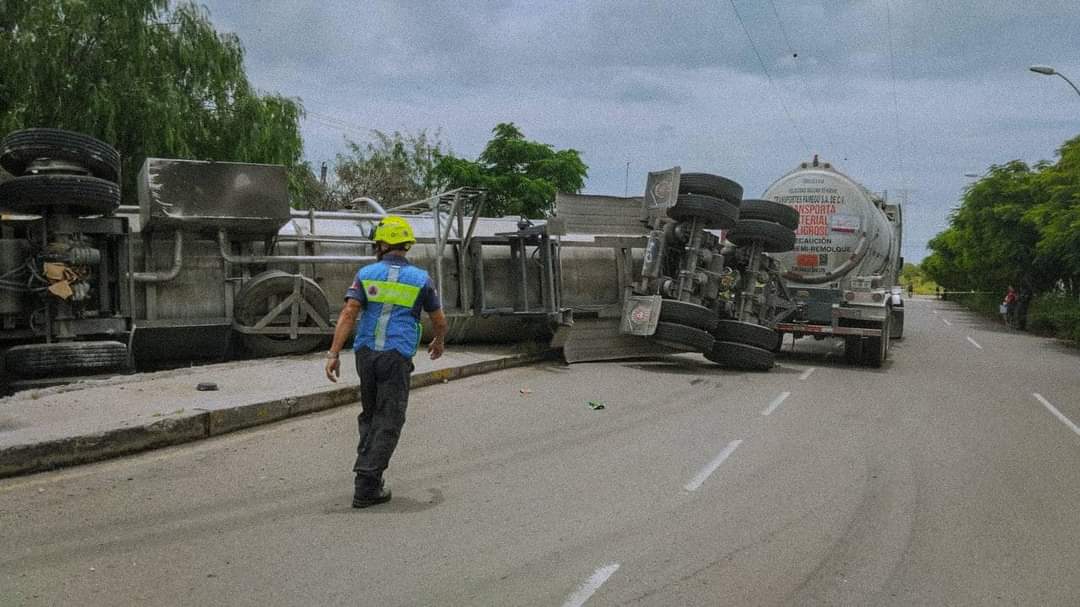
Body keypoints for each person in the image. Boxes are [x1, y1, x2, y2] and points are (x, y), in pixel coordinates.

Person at [325, 216, 448, 508]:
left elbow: (348, 313)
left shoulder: (366, 273)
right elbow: (439, 319)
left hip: (365, 354)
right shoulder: (421, 279)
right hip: (396, 355)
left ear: (381, 244)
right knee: (390, 417)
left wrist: (333, 353)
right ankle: (367, 483)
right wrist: (439, 341)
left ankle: (368, 472)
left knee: (371, 413)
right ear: (405, 245)